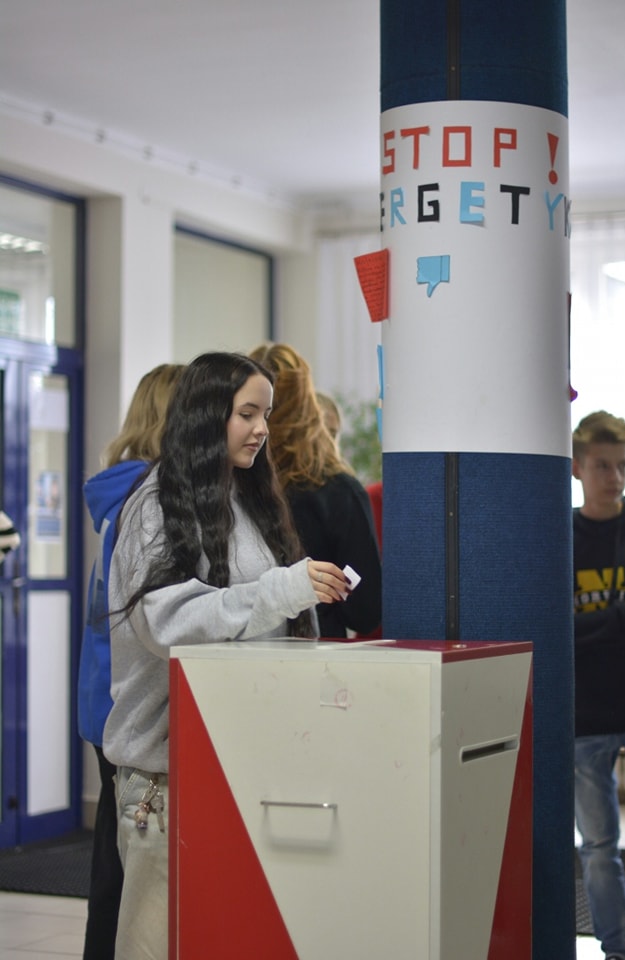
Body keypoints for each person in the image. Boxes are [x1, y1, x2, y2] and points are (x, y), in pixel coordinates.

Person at [102, 351, 350, 960]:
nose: (262, 429)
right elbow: (168, 624)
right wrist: (281, 590)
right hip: (165, 781)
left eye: (265, 414)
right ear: (207, 414)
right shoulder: (154, 505)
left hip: (243, 764)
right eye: (247, 414)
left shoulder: (249, 498)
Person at [78, 363, 185, 960]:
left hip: (104, 698)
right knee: (122, 875)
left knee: (112, 865)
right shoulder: (149, 501)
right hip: (129, 705)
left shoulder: (117, 491)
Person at [249, 342, 381, 638]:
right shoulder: (339, 492)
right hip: (314, 650)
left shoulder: (226, 487)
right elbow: (365, 611)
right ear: (309, 407)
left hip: (235, 649)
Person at [572, 410, 625, 960]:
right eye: (602, 466)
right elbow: (556, 627)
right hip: (586, 712)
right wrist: (613, 622)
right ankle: (616, 947)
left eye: (622, 465)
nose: (614, 478)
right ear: (577, 467)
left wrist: (595, 628)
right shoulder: (562, 536)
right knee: (598, 846)